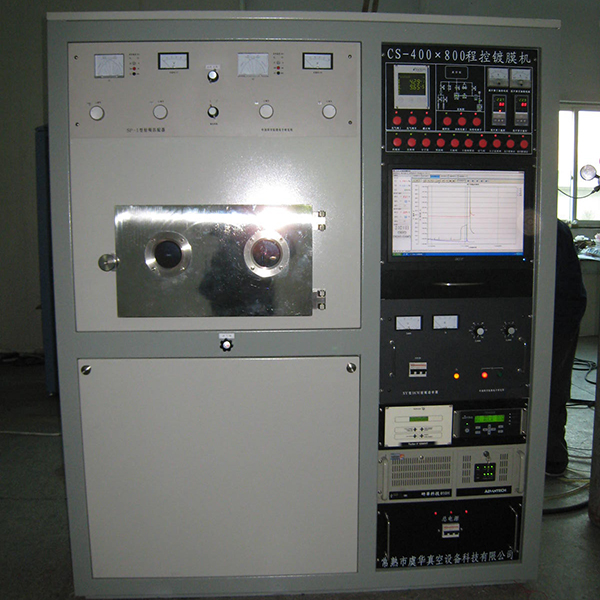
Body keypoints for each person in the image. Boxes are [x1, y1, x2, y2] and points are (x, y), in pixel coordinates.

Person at [546, 220, 587, 476]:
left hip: (560, 314)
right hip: (555, 310)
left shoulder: (552, 228)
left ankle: (553, 457)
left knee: (551, 385)